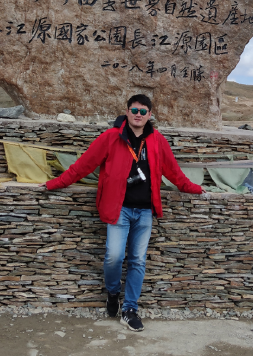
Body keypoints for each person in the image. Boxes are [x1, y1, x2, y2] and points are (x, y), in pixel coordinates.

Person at [38, 94, 205, 331]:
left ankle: (129, 309)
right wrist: (54, 184)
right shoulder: (110, 137)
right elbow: (83, 166)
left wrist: (195, 188)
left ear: (149, 115)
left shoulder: (157, 140)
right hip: (119, 210)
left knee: (138, 260)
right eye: (134, 110)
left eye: (143, 111)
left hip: (144, 211)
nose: (138, 115)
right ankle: (113, 293)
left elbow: (174, 172)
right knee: (114, 257)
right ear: (127, 112)